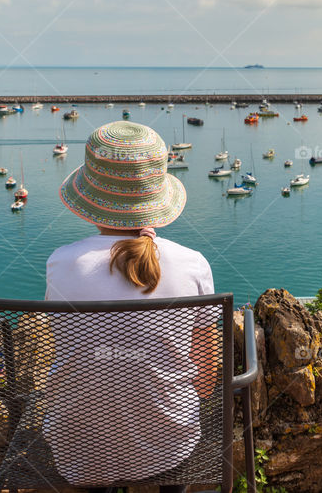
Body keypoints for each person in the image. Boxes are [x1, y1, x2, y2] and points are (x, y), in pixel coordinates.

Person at [44, 121, 218, 491]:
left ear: (91, 202)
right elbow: (206, 383)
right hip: (171, 447)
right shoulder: (192, 263)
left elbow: (67, 349)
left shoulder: (61, 263)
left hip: (78, 451)